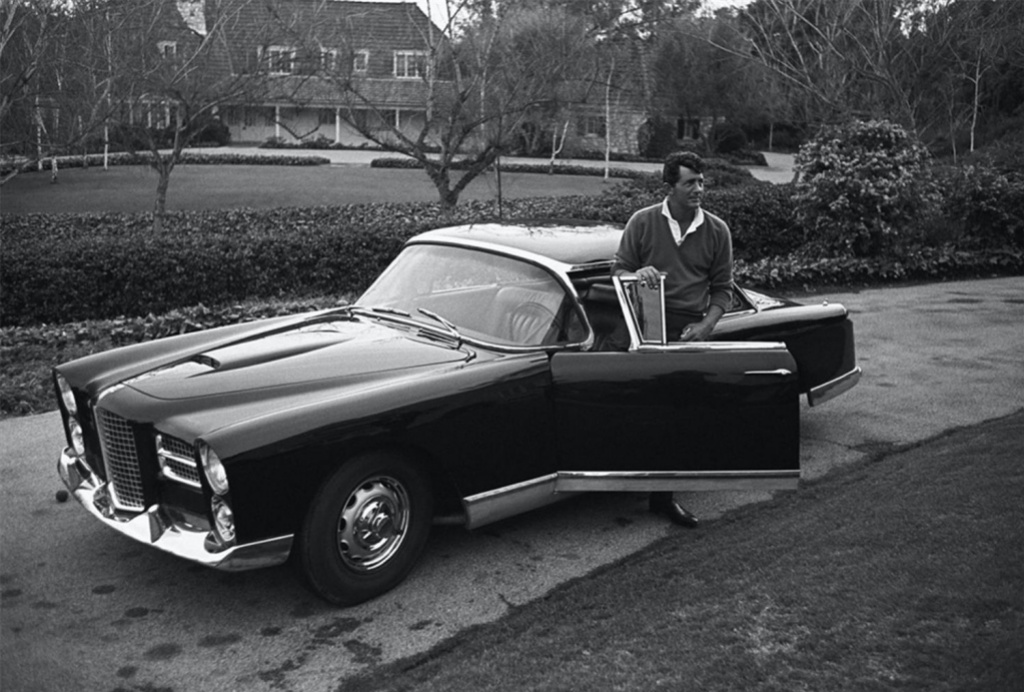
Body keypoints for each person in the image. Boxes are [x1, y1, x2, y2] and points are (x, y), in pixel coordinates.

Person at [611, 150, 734, 528]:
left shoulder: (717, 230)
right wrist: (639, 271)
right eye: (689, 183)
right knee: (640, 408)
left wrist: (706, 327)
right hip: (645, 322)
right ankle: (623, 481)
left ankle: (663, 498)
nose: (698, 189)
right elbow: (619, 269)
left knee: (677, 414)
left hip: (688, 328)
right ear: (670, 186)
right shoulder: (642, 222)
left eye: (701, 181)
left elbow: (723, 290)